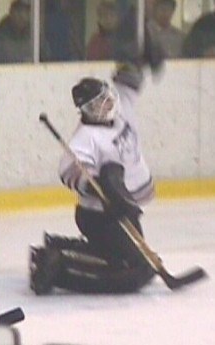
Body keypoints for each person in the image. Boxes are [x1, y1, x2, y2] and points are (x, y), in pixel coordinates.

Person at [29, 37, 165, 295]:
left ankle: (55, 249)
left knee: (134, 261)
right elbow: (68, 170)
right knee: (134, 273)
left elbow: (127, 80)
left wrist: (142, 57)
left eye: (106, 99)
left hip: (125, 206)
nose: (106, 106)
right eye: (97, 105)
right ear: (85, 111)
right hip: (100, 215)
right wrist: (101, 187)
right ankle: (59, 270)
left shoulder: (121, 107)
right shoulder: (86, 137)